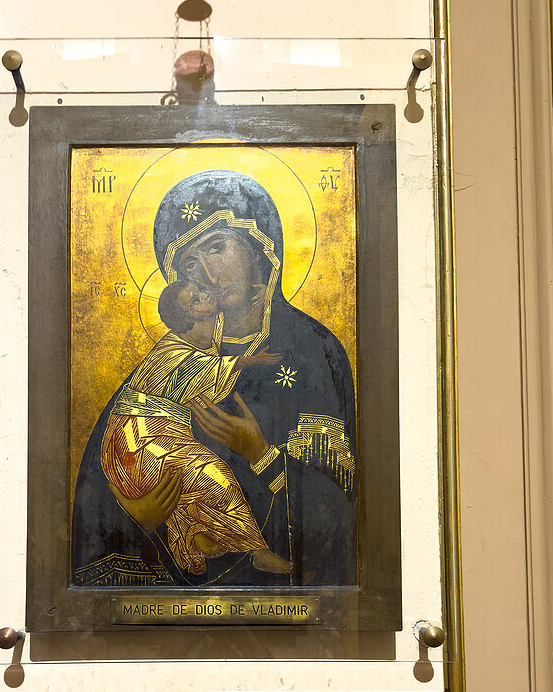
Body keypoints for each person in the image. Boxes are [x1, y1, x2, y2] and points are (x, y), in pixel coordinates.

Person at [71, 169, 357, 589]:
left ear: (259, 248)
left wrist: (260, 452)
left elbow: (340, 500)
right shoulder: (167, 364)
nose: (205, 272)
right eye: (190, 263)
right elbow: (99, 491)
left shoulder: (312, 352)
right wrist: (140, 513)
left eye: (217, 248)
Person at [100, 280, 293, 575]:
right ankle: (257, 550)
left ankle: (194, 537)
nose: (206, 295)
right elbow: (200, 369)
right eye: (195, 299)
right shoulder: (172, 350)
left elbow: (212, 345)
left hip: (160, 432)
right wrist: (252, 361)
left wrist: (262, 297)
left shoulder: (205, 335)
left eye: (202, 291)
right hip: (138, 437)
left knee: (189, 492)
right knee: (214, 477)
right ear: (185, 316)